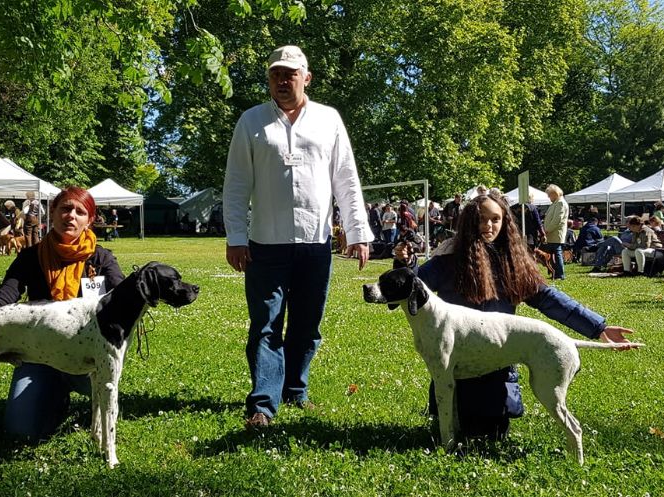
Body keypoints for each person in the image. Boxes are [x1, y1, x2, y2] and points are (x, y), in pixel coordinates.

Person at [393, 192, 636, 440]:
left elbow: (549, 299)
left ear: (504, 221)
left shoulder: (512, 261)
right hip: (457, 368)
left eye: (495, 219)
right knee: (461, 429)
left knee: (491, 433)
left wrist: (598, 327)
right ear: (468, 222)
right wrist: (406, 263)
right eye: (481, 219)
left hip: (497, 370)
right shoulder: (447, 259)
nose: (488, 226)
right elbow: (414, 286)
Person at [223, 45, 373, 430]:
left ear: (307, 77)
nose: (282, 80)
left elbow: (347, 179)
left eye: (290, 74)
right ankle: (262, 404)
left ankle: (294, 389)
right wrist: (236, 236)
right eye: (275, 74)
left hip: (315, 242)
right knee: (266, 324)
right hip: (264, 244)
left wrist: (357, 232)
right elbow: (237, 184)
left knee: (307, 324)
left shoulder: (328, 119)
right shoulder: (251, 122)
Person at [0, 186, 124, 439]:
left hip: (88, 356)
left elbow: (123, 301)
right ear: (52, 213)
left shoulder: (102, 259)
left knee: (102, 385)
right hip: (40, 354)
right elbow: (2, 299)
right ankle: (56, 395)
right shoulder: (31, 257)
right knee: (22, 429)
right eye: (65, 209)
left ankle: (81, 396)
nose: (71, 216)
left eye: (80, 211)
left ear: (90, 220)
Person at [541, 184, 569, 280]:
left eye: (549, 195)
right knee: (553, 254)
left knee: (557, 253)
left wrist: (547, 229)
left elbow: (557, 219)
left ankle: (560, 274)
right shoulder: (555, 203)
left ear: (554, 193)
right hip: (552, 233)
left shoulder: (561, 203)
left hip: (556, 233)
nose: (548, 197)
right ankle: (556, 273)